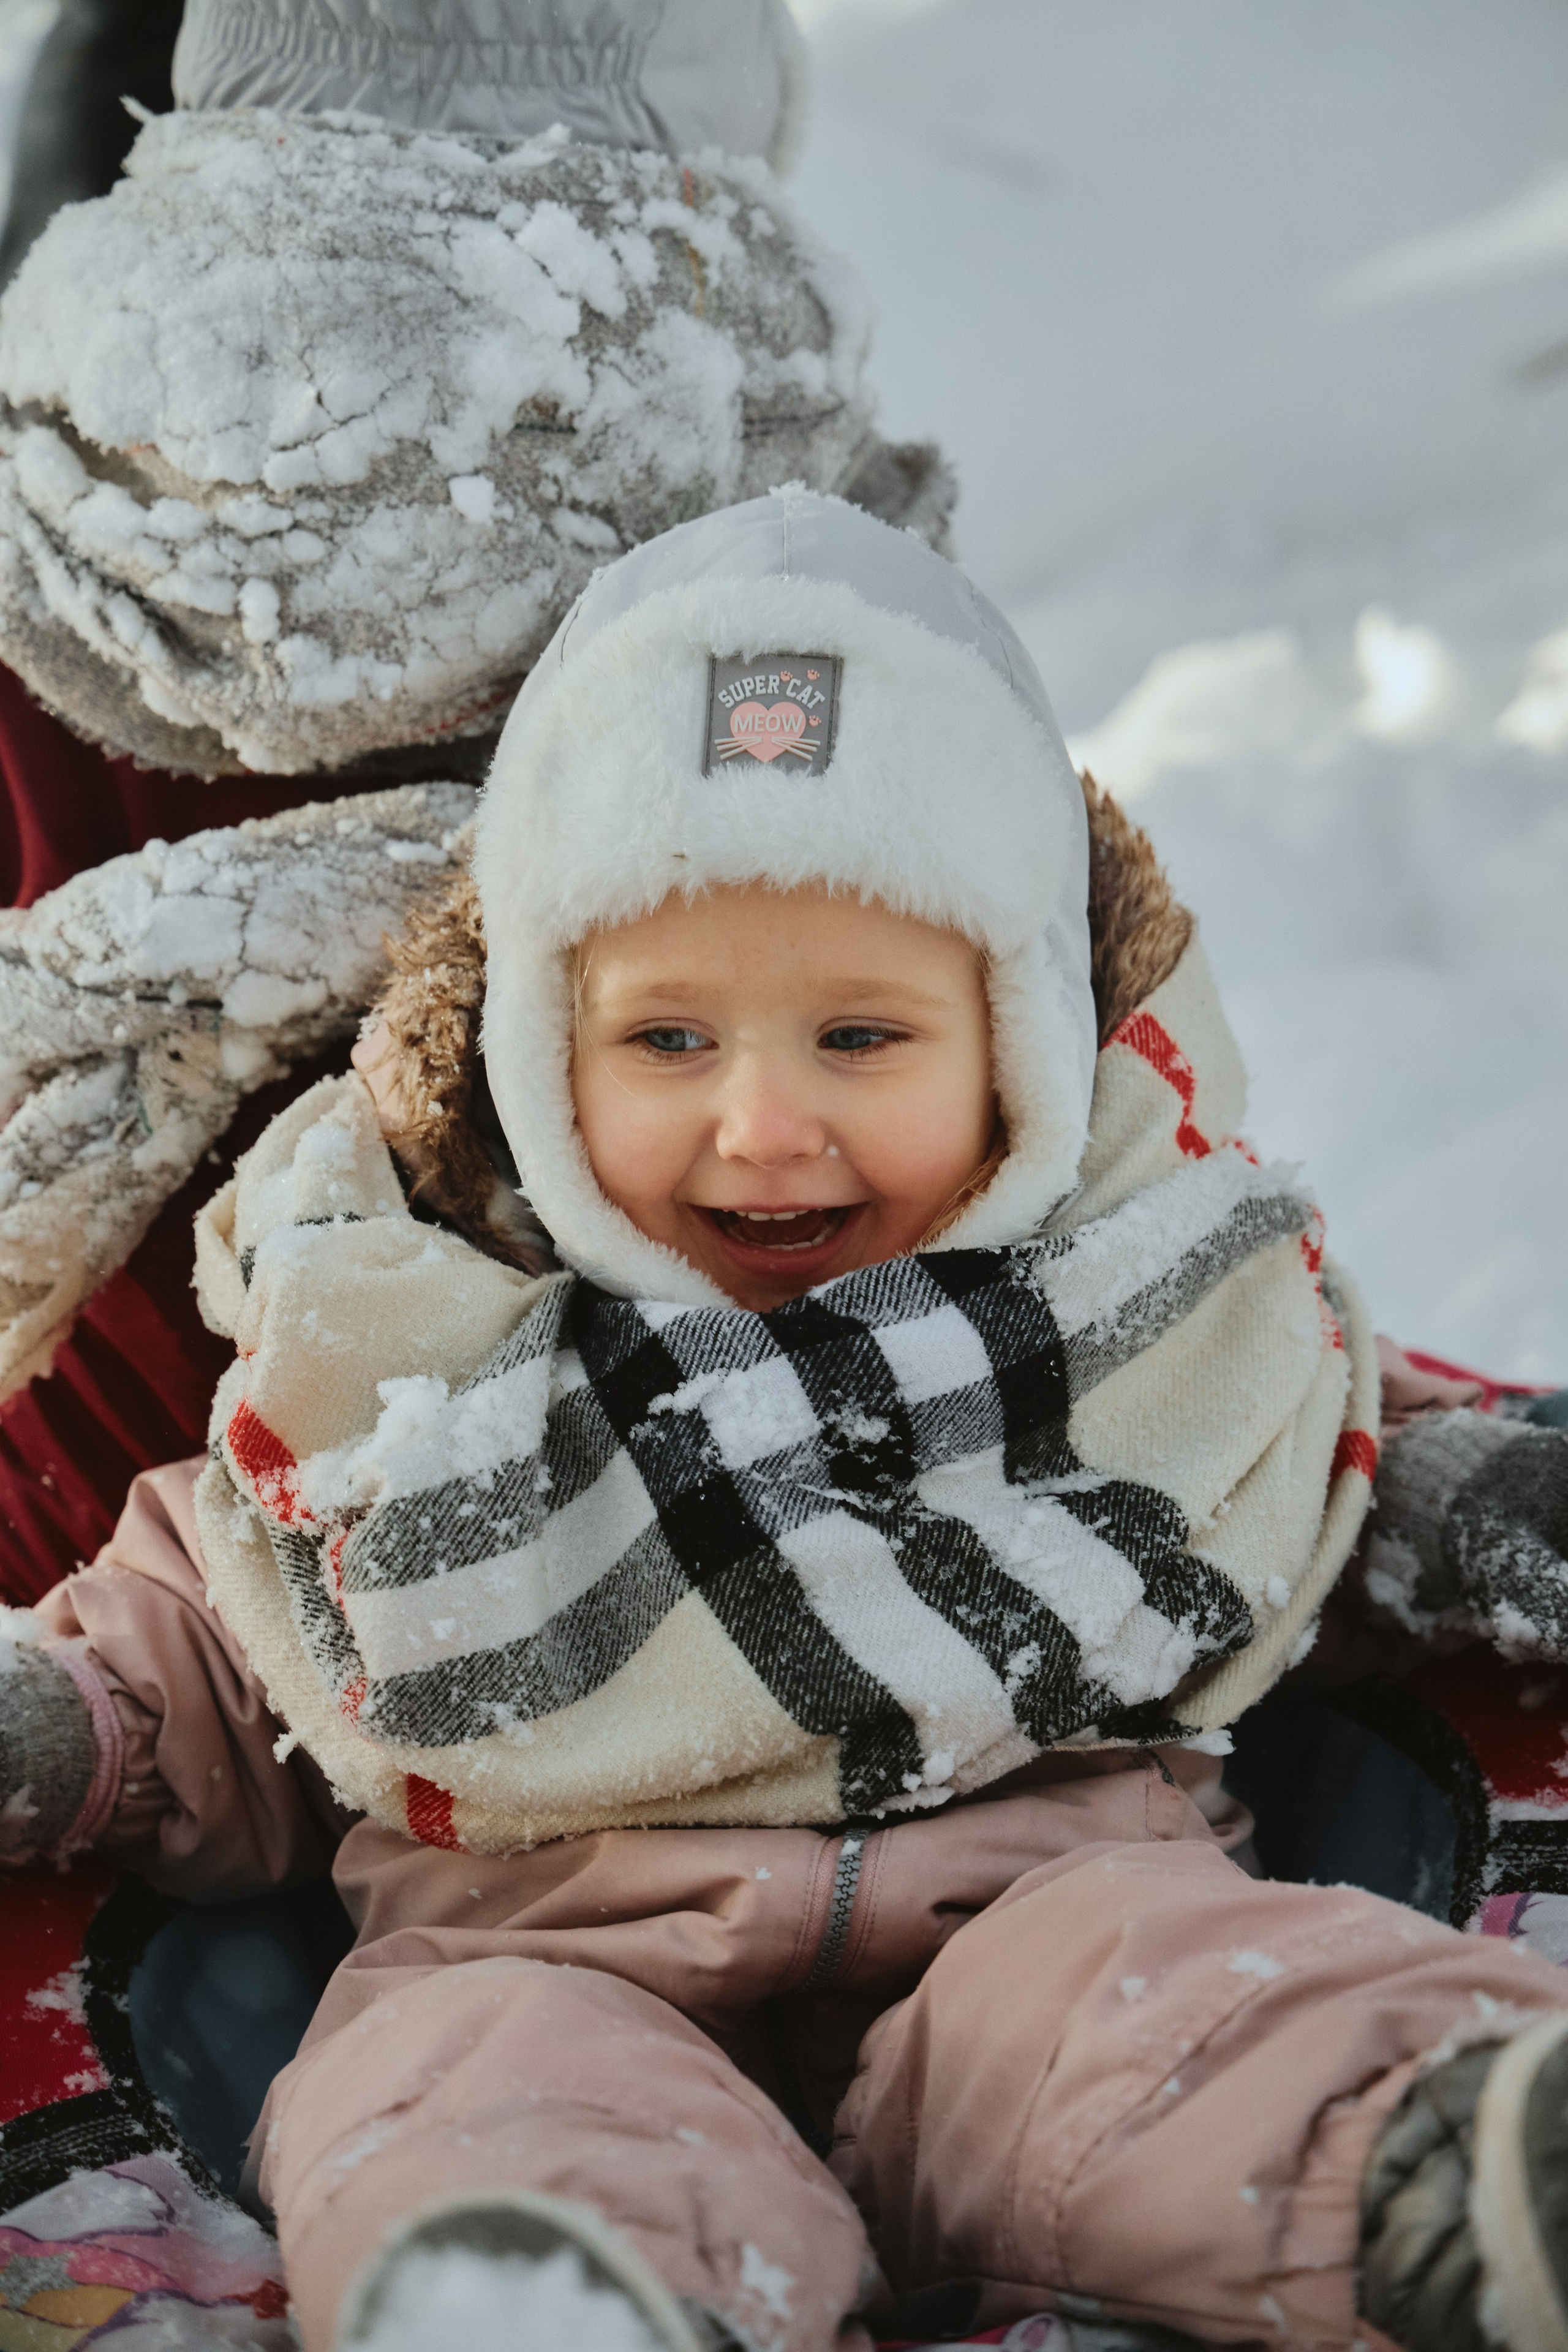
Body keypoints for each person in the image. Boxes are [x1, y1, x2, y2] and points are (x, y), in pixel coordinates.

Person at [4, 490, 1568, 2352]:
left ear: (1022, 1050)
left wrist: (1489, 1502)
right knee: (463, 2079)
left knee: (1203, 1999)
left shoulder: (1140, 1310)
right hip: (549, 1951)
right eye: (668, 1041)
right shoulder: (417, 1370)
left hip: (1044, 1913)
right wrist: (63, 1722)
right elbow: (215, 1616)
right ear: (530, 1053)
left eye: (862, 1039)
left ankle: (1436, 2166)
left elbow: (1312, 1454)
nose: (761, 1125)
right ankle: (565, 2297)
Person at [0, 0, 952, 1605]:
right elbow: (1054, 1130)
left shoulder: (57, 554)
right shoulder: (817, 547)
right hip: (701, 1573)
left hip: (102, 1595)